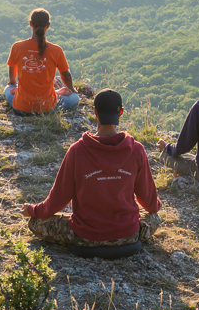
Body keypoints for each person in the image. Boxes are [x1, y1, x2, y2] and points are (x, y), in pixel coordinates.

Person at [21, 88, 162, 247]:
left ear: (95, 111)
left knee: (35, 223)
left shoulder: (77, 151)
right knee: (155, 218)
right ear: (121, 112)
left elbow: (57, 200)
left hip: (85, 237)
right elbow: (150, 204)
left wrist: (33, 210)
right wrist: (157, 205)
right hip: (127, 236)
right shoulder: (137, 150)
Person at [5, 8, 80, 115]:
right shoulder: (56, 50)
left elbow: (12, 69)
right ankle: (56, 93)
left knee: (8, 88)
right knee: (75, 98)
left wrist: (13, 83)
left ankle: (19, 92)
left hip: (21, 108)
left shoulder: (17, 47)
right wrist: (72, 89)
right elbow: (66, 76)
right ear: (48, 25)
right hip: (47, 109)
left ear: (30, 24)